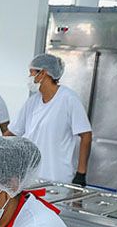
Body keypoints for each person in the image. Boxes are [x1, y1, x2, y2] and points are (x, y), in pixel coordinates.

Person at [7, 53, 92, 187]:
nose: (29, 77)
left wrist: (81, 173)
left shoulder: (68, 99)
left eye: (32, 73)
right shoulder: (33, 101)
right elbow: (12, 133)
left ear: (43, 73)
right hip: (31, 177)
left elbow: (86, 135)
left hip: (57, 178)